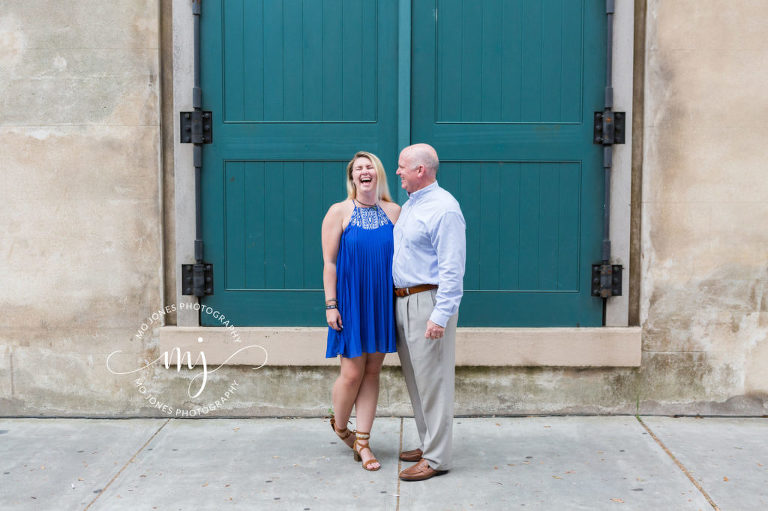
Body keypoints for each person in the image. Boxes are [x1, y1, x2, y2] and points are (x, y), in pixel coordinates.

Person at [321, 151, 401, 471]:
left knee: (372, 372)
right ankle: (341, 428)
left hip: (381, 301)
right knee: (352, 373)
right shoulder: (338, 211)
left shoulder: (395, 211)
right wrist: (331, 305)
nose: (364, 172)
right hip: (351, 301)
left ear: (378, 174)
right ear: (352, 177)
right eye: (358, 169)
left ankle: (364, 443)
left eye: (370, 167)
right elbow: (329, 263)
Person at [393, 143, 466, 481]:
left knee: (433, 381)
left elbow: (452, 269)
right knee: (417, 380)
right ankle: (429, 442)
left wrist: (440, 316)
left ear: (420, 170)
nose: (397, 172)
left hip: (428, 302)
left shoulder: (444, 209)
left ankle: (437, 459)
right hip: (405, 300)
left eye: (402, 167)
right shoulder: (412, 205)